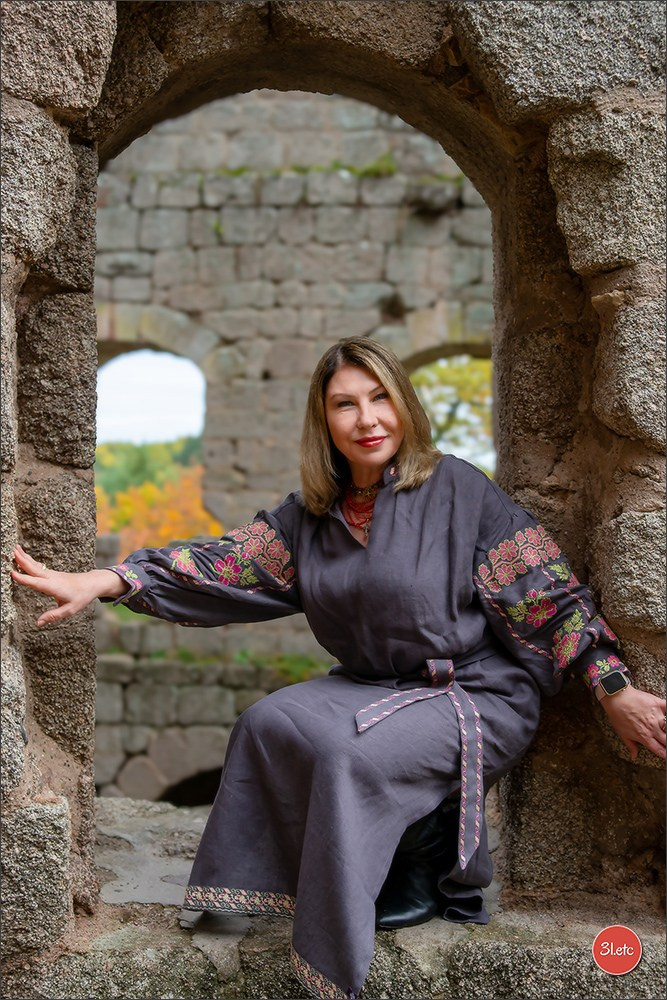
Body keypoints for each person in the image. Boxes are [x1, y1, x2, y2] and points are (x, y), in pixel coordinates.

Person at [12, 337, 666, 1000]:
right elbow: (219, 565)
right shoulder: (309, 520)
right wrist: (106, 579)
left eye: (380, 397)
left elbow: (543, 590)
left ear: (403, 405)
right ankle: (262, 883)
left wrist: (609, 685)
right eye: (345, 405)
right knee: (266, 722)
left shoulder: (457, 491)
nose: (367, 418)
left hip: (472, 692)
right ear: (323, 421)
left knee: (340, 749)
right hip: (370, 688)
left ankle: (420, 861)